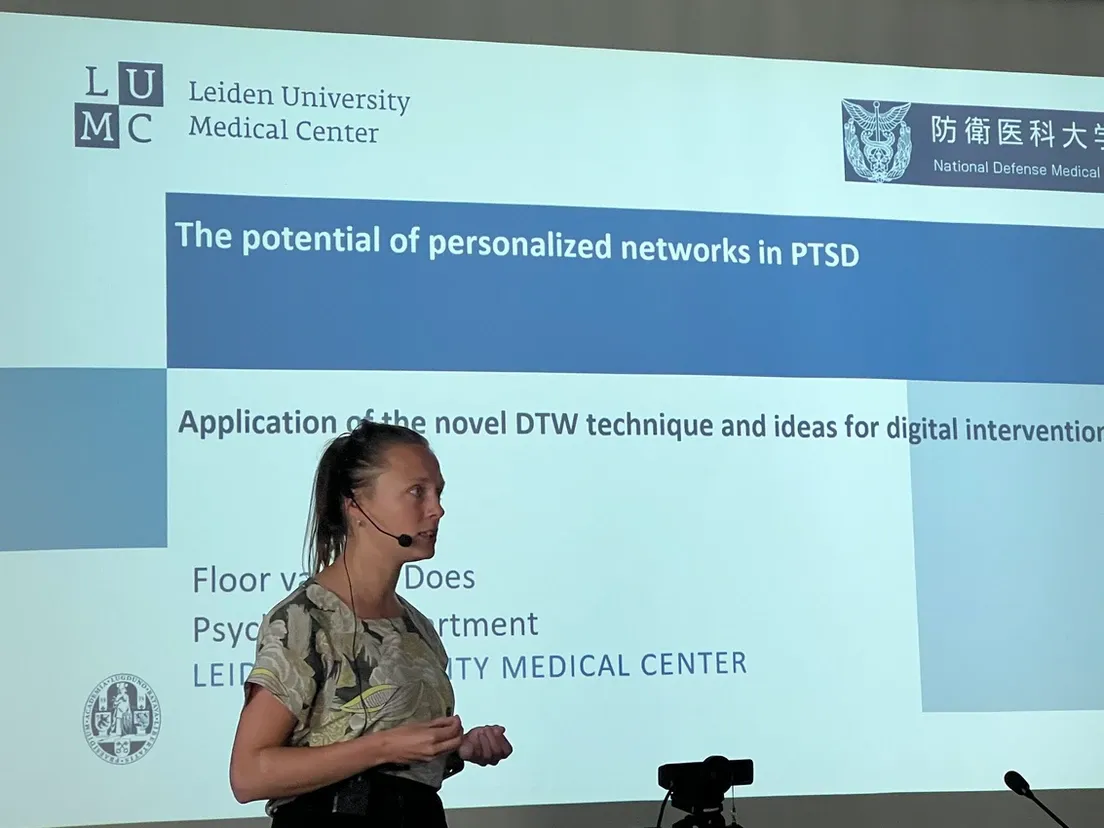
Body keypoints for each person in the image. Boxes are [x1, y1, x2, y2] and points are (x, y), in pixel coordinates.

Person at [229, 420, 513, 826]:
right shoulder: (305, 620)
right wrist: (383, 747)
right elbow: (248, 775)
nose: (437, 509)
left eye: (438, 492)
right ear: (356, 505)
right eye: (417, 492)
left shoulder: (417, 627)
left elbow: (394, 763)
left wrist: (456, 749)